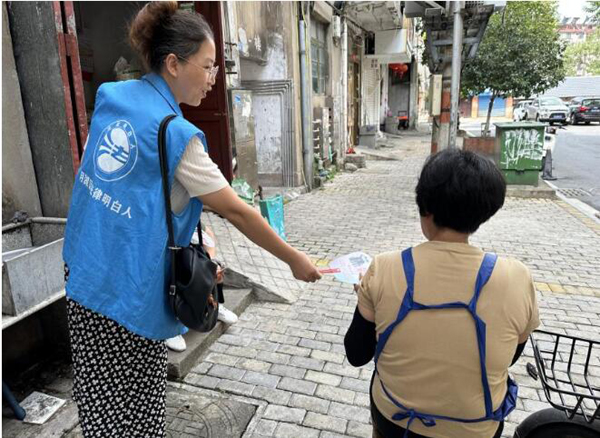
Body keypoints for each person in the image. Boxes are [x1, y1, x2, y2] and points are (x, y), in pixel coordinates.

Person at [62, 2, 321, 436]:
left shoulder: (115, 97)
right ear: (172, 64)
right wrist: (292, 259)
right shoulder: (175, 134)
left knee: (98, 403)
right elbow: (236, 209)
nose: (213, 78)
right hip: (127, 291)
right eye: (207, 66)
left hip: (83, 273)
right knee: (135, 412)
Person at [344, 149, 539, 438]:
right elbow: (509, 357)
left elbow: (357, 354)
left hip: (396, 422)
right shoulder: (516, 277)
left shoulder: (384, 267)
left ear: (425, 208)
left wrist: (367, 296)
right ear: (485, 211)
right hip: (477, 428)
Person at [166, 221, 236, 353]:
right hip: (167, 257)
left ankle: (214, 306)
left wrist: (211, 263)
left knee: (213, 269)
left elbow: (207, 233)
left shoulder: (190, 210)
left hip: (189, 253)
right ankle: (169, 326)